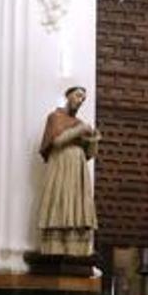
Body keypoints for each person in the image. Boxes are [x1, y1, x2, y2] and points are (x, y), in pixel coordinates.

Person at [36, 86, 100, 256]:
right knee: (61, 198)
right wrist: (80, 130)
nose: (80, 101)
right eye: (78, 96)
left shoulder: (79, 123)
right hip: (61, 165)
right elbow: (56, 142)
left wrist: (93, 139)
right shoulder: (55, 118)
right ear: (68, 96)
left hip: (78, 168)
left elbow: (90, 154)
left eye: (83, 99)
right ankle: (56, 243)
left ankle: (76, 245)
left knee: (77, 202)